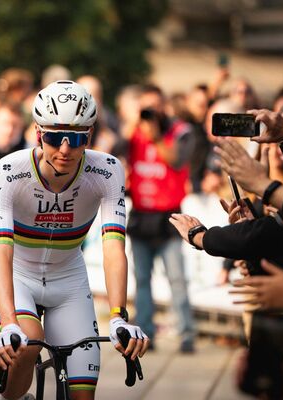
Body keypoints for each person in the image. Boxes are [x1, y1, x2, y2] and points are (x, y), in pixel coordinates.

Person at [0, 81, 148, 400]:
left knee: (83, 395)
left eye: (75, 139)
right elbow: (1, 252)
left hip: (69, 278)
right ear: (37, 133)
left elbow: (114, 247)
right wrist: (8, 324)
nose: (64, 149)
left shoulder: (107, 171)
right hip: (18, 272)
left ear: (88, 136)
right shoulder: (8, 171)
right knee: (27, 340)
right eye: (54, 137)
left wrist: (118, 315)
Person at [126, 84, 197, 354]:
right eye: (145, 107)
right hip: (141, 215)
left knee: (176, 279)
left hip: (170, 217)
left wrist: (155, 137)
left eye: (154, 106)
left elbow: (176, 161)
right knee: (142, 280)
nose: (150, 112)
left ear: (164, 105)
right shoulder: (134, 131)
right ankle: (145, 333)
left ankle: (186, 334)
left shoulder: (179, 132)